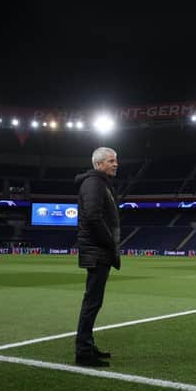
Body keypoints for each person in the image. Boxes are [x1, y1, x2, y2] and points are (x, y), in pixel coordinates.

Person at [74, 147, 121, 367]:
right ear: (99, 164)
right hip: (97, 251)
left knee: (94, 301)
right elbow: (93, 217)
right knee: (92, 302)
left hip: (98, 250)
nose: (115, 164)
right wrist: (110, 243)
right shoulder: (93, 183)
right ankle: (83, 352)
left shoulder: (100, 183)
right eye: (111, 161)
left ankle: (87, 345)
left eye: (116, 160)